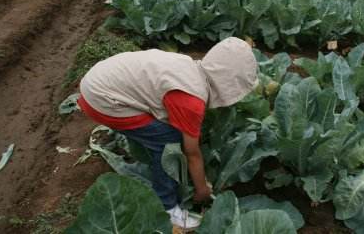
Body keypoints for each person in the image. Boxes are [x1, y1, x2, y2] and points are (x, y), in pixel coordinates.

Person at [77, 37, 258, 230]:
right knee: (168, 143)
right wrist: (202, 189)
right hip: (103, 100)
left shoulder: (189, 67)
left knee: (163, 131)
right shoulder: (191, 102)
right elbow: (192, 154)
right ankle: (168, 208)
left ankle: (138, 139)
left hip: (100, 78)